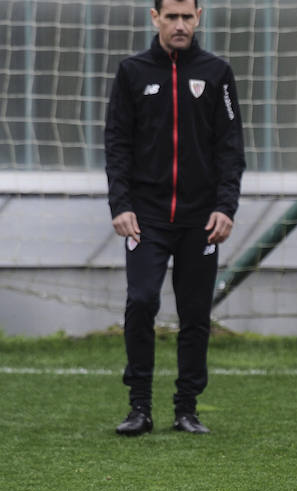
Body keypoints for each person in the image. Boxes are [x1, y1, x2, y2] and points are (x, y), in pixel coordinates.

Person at [104, 0, 245, 435]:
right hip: (144, 216)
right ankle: (139, 407)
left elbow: (230, 146)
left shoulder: (217, 72)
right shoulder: (132, 72)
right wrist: (120, 204)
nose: (180, 25)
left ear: (198, 17)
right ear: (155, 18)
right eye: (172, 17)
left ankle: (187, 408)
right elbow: (117, 144)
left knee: (195, 313)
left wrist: (225, 206)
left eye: (187, 17)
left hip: (201, 218)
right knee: (142, 300)